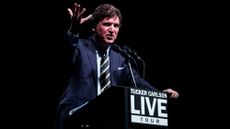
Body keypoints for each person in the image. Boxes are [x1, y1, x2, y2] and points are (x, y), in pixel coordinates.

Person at [54, 2, 179, 129]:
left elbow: (137, 82)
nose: (112, 30)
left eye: (116, 25)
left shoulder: (120, 56)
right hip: (75, 117)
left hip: (105, 120)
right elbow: (65, 55)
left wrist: (160, 94)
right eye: (107, 24)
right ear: (94, 27)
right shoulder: (79, 47)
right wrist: (74, 31)